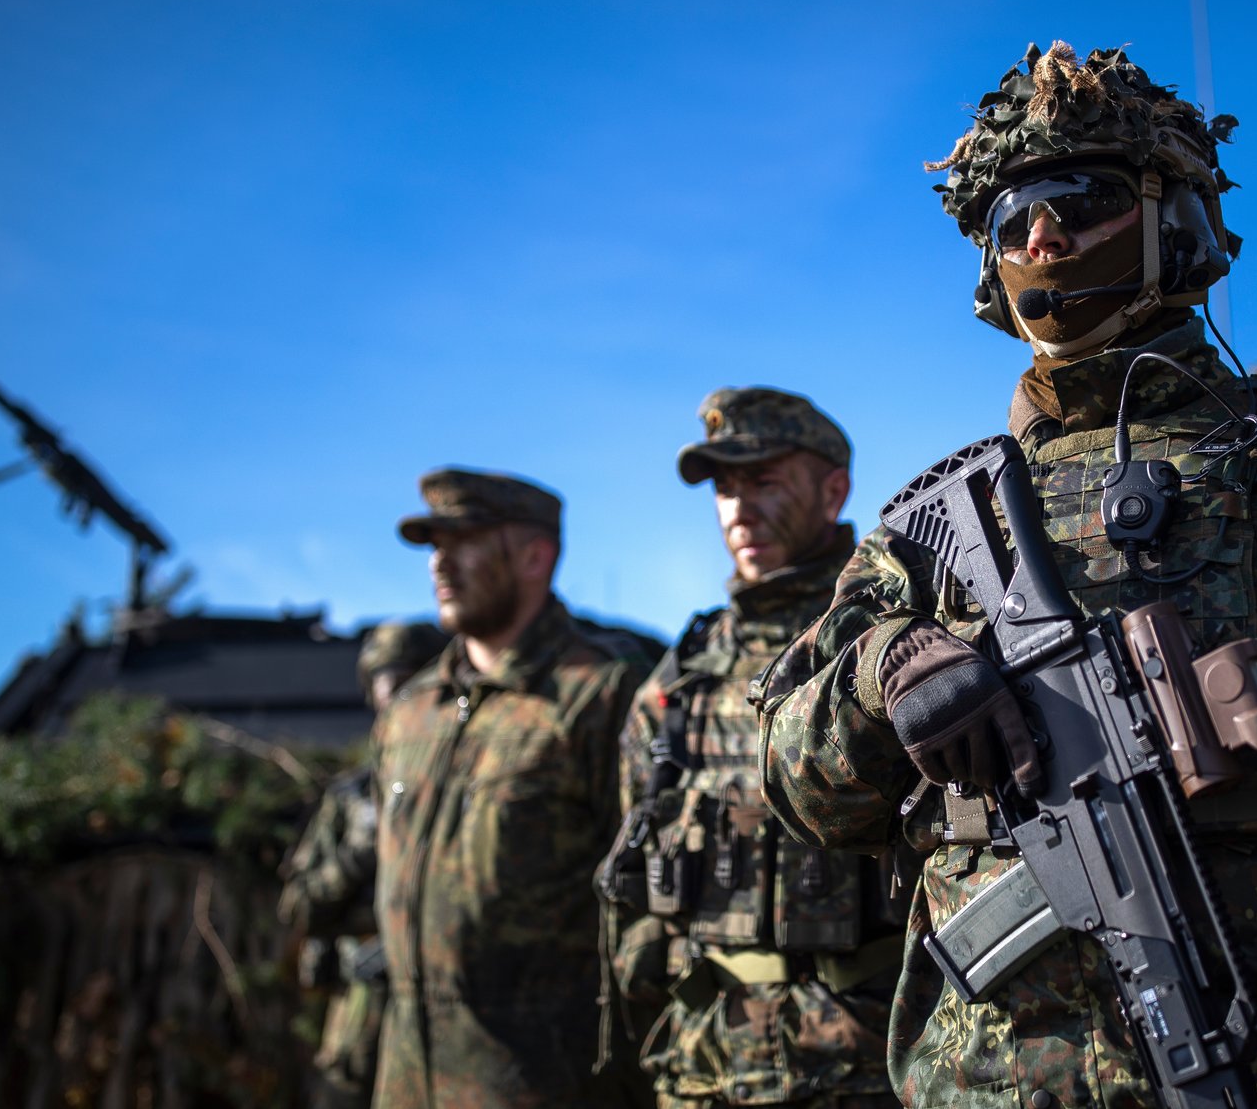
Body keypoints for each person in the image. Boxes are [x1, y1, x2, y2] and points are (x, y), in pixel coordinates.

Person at [757, 43, 1257, 1109]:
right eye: (1010, 219)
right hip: (986, 1080)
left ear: (1169, 217)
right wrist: (884, 663)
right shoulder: (928, 531)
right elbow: (794, 782)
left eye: (1077, 197)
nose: (1039, 235)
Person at [598, 387, 903, 1109]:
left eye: (764, 480)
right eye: (725, 488)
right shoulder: (681, 682)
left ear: (835, 490)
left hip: (869, 1067)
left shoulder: (886, 648)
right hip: (707, 1072)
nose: (738, 508)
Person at [372, 468, 651, 1108]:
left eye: (464, 541)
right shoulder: (412, 709)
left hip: (550, 1082)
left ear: (535, 555)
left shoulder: (601, 695)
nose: (440, 564)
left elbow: (646, 905)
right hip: (409, 1077)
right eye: (433, 546)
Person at [281, 619, 451, 1109]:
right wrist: (359, 852)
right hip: (364, 1018)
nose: (403, 705)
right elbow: (298, 907)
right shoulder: (353, 799)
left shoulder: (473, 786)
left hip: (451, 1021)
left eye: (415, 687)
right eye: (391, 690)